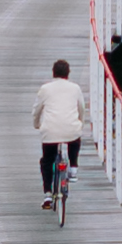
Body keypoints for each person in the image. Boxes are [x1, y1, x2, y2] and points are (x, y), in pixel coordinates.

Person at [33, 56, 87, 207]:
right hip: (71, 129)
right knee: (74, 139)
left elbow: (37, 110)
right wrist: (80, 124)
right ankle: (73, 168)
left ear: (53, 73)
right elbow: (81, 108)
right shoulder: (75, 88)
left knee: (47, 160)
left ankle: (48, 194)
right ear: (68, 73)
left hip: (50, 130)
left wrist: (37, 124)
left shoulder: (45, 89)